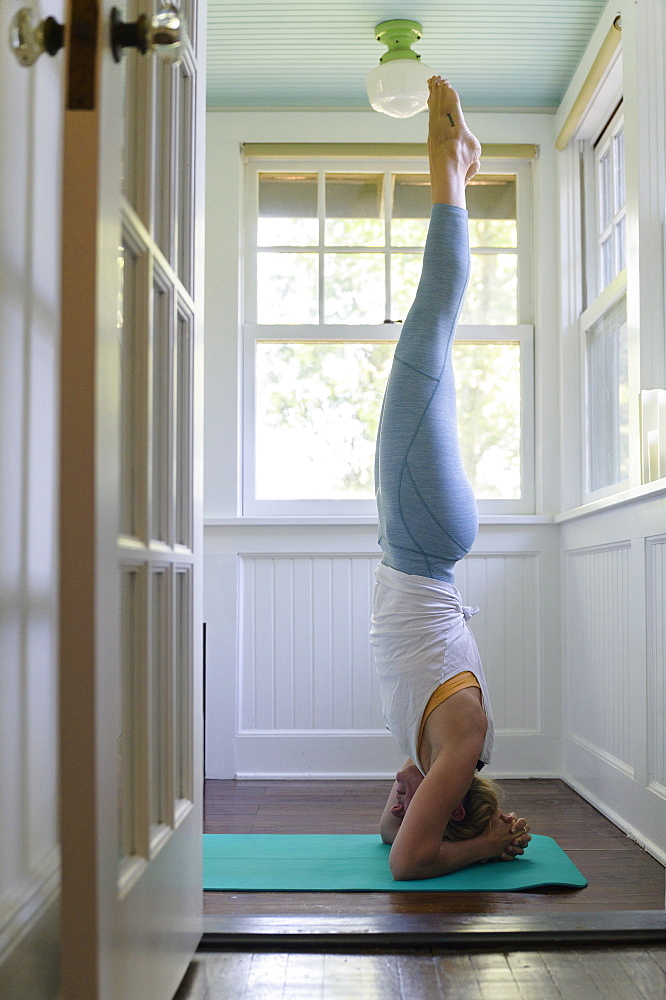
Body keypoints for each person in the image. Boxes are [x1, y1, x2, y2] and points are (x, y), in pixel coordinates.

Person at [370, 77, 531, 881]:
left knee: (433, 353)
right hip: (422, 539)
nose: (404, 799)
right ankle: (451, 169)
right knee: (429, 327)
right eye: (423, 796)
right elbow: (406, 864)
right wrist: (490, 848)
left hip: (424, 540)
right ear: (453, 792)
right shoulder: (459, 741)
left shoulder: (441, 749)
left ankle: (456, 169)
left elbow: (389, 830)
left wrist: (420, 794)